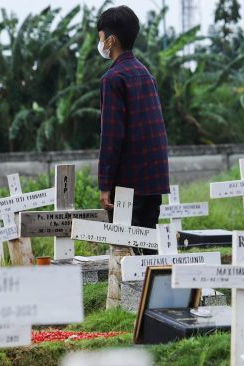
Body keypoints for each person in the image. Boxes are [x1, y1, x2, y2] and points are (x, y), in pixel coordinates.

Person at [96, 6, 169, 255]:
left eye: (101, 38)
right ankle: (153, 293)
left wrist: (105, 185)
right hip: (154, 179)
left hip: (127, 184)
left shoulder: (113, 78)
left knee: (126, 251)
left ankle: (131, 295)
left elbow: (111, 137)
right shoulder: (146, 74)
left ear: (111, 40)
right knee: (149, 248)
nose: (101, 43)